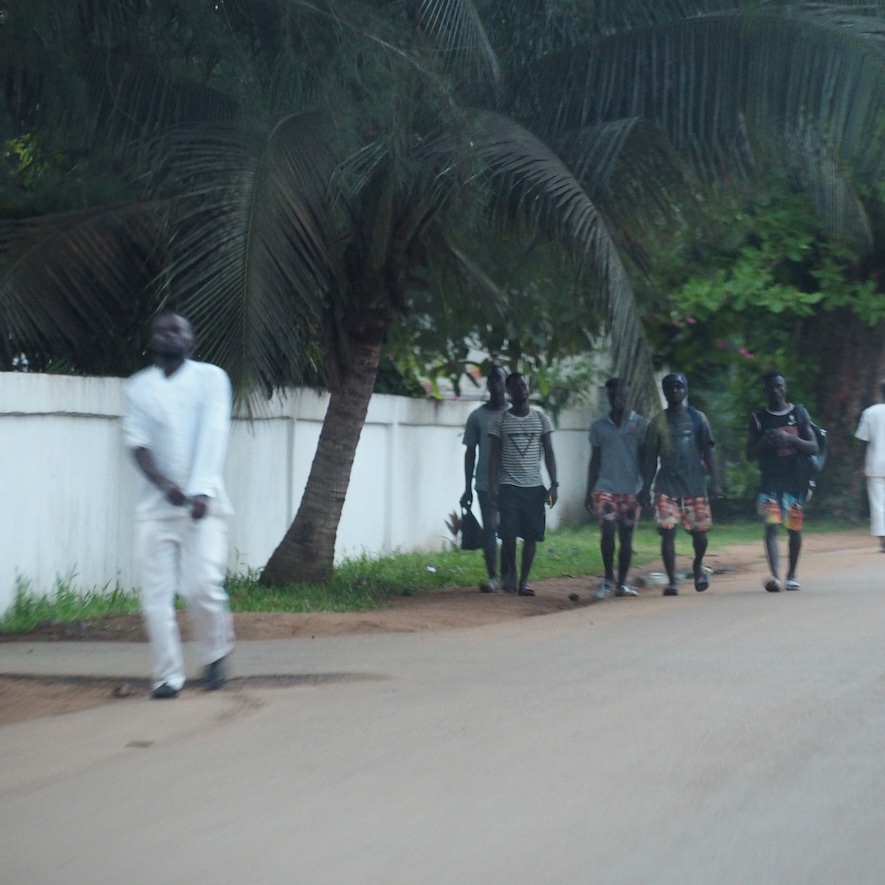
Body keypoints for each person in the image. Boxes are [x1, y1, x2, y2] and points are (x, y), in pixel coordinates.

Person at [122, 310, 235, 698]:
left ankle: (215, 652)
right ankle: (167, 676)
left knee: (202, 585)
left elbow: (214, 433)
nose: (168, 335)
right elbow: (137, 444)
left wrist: (201, 490)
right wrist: (164, 484)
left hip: (205, 505)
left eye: (177, 330)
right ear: (152, 340)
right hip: (156, 507)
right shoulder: (139, 387)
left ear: (192, 341)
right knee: (154, 597)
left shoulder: (211, 379)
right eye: (161, 330)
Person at [645, 372, 721, 596]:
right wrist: (645, 487)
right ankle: (672, 581)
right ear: (666, 392)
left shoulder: (698, 418)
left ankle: (698, 565)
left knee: (700, 535)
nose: (675, 391)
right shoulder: (657, 422)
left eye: (679, 387)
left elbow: (709, 451)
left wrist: (716, 483)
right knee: (667, 531)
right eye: (670, 388)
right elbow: (650, 458)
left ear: (685, 390)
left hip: (694, 485)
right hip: (666, 487)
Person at [745, 371, 818, 592]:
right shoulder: (758, 418)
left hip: (795, 481)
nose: (775, 390)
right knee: (771, 526)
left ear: (785, 388)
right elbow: (749, 454)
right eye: (771, 387)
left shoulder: (799, 413)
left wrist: (791, 440)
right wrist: (766, 442)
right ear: (765, 390)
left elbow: (813, 446)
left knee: (794, 528)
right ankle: (776, 577)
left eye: (779, 386)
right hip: (770, 482)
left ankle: (792, 574)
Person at [488, 372, 558, 596]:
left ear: (528, 388)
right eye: (516, 386)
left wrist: (554, 484)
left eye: (524, 385)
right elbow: (494, 456)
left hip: (534, 487)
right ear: (509, 391)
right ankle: (513, 573)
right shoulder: (500, 421)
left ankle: (524, 581)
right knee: (508, 534)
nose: (521, 389)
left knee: (531, 536)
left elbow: (549, 452)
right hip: (508, 485)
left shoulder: (541, 419)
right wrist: (492, 486)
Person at [585, 379, 649, 599]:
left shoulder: (641, 425)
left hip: (632, 489)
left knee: (627, 536)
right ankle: (608, 578)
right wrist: (588, 490)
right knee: (608, 531)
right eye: (612, 396)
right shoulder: (599, 426)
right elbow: (594, 460)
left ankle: (622, 583)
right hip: (605, 487)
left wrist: (646, 488)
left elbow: (646, 459)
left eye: (621, 396)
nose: (617, 400)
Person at [460, 365, 510, 592]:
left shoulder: (516, 414)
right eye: (491, 379)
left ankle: (509, 575)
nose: (495, 383)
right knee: (489, 528)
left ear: (505, 383)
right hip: (483, 483)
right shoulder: (477, 417)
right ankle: (493, 576)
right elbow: (470, 451)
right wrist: (467, 487)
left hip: (512, 481)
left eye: (498, 378)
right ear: (487, 385)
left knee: (509, 529)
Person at [855, 379, 885, 552]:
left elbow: (863, 442)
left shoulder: (870, 412)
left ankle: (883, 541)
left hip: (875, 463)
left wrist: (860, 465)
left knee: (878, 503)